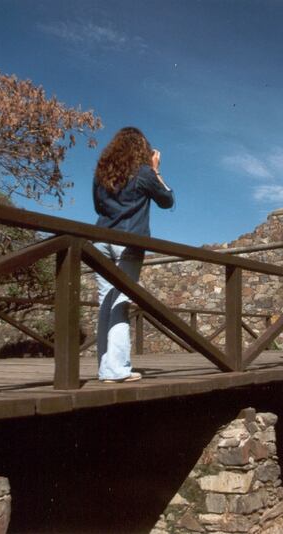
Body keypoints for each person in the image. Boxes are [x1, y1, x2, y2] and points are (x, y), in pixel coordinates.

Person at [93, 127, 174, 383]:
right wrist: (155, 169)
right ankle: (116, 370)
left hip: (99, 238)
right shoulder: (143, 173)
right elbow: (168, 200)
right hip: (126, 243)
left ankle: (107, 368)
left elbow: (98, 206)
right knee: (120, 303)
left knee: (106, 302)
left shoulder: (102, 174)